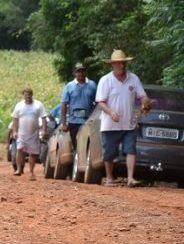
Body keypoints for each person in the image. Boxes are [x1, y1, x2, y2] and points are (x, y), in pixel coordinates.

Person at [95, 49, 152, 187]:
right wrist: (111, 112)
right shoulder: (105, 80)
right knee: (109, 153)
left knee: (131, 149)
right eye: (119, 63)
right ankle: (109, 178)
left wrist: (146, 102)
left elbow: (142, 95)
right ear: (112, 65)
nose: (122, 66)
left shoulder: (134, 78)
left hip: (129, 123)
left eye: (123, 63)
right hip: (110, 124)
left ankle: (130, 178)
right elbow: (100, 102)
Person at [11, 87, 48, 180]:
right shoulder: (19, 105)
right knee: (19, 149)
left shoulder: (38, 105)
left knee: (33, 153)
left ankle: (31, 172)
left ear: (32, 95)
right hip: (21, 133)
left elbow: (44, 118)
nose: (27, 97)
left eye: (29, 95)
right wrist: (14, 131)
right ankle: (19, 169)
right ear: (23, 96)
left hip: (34, 133)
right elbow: (15, 119)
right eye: (26, 95)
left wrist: (44, 130)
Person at [60, 62, 97, 150]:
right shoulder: (69, 86)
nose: (81, 73)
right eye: (78, 71)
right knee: (76, 145)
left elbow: (98, 103)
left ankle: (85, 162)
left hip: (89, 121)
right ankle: (77, 161)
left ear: (86, 72)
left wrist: (96, 118)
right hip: (74, 122)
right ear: (74, 73)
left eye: (83, 71)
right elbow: (64, 104)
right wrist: (64, 123)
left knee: (88, 145)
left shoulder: (92, 85)